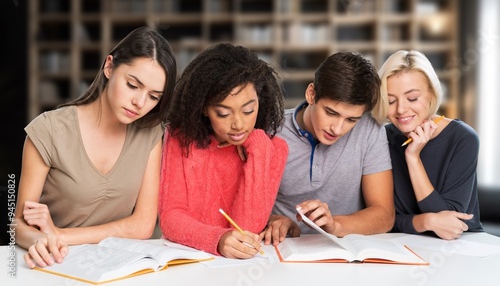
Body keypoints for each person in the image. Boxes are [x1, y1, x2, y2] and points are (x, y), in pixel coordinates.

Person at [15, 26, 177, 268]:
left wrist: (59, 234)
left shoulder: (150, 133)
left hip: (124, 265)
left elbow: (142, 225)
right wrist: (41, 239)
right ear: (109, 66)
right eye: (133, 85)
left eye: (154, 96)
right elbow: (18, 224)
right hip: (59, 263)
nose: (140, 103)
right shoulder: (49, 130)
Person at [158, 43, 288, 259]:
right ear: (204, 108)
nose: (238, 124)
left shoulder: (272, 149)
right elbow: (171, 217)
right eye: (223, 113)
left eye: (248, 110)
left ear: (260, 100)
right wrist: (217, 239)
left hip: (237, 269)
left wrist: (259, 151)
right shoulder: (181, 138)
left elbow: (248, 228)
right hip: (184, 261)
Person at [262, 51, 395, 245]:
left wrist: (335, 226)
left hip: (343, 249)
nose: (337, 128)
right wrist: (271, 220)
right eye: (331, 112)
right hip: (281, 248)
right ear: (311, 94)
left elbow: (385, 215)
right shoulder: (270, 131)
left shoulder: (370, 130)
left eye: (351, 119)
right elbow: (234, 206)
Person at [371, 50, 483, 240]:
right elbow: (381, 220)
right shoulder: (381, 138)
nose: (401, 109)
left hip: (463, 245)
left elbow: (449, 224)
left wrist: (413, 158)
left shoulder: (463, 138)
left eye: (412, 98)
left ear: (431, 93)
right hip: (403, 244)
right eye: (390, 100)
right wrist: (425, 222)